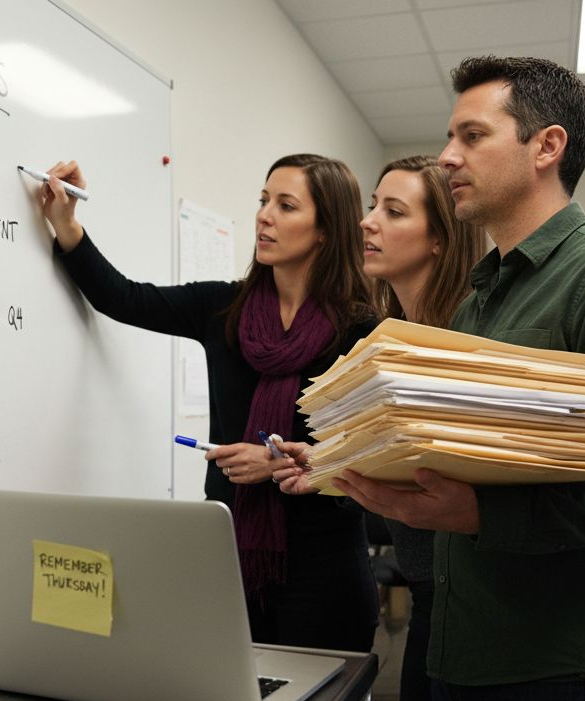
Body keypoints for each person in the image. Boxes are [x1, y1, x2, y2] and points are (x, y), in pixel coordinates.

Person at [329, 56, 585, 701]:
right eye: (449, 136)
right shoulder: (480, 300)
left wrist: (476, 513)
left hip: (558, 671)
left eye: (471, 135)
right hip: (458, 659)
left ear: (546, 147)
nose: (448, 156)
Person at [34, 154, 380, 656]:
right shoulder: (226, 309)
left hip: (325, 570)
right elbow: (124, 298)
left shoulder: (361, 332)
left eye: (286, 205)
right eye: (264, 201)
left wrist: (280, 461)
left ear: (326, 229)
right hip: (231, 561)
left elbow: (372, 454)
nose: (264, 216)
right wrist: (66, 224)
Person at [272, 155, 485, 701]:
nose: (367, 224)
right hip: (427, 598)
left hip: (473, 601)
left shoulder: (462, 338)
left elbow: (461, 473)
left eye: (392, 212)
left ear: (440, 239)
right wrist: (327, 461)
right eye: (372, 206)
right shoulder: (387, 335)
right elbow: (407, 460)